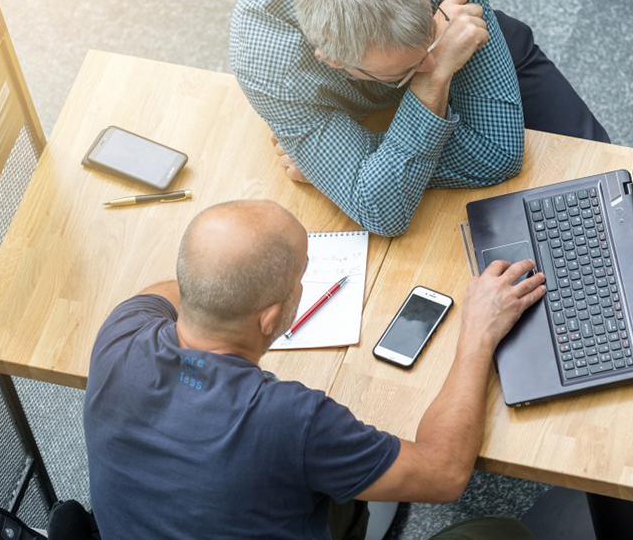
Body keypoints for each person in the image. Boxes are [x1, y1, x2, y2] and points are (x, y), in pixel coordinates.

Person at [83, 200, 541, 539]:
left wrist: (229, 276)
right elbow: (444, 473)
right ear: (271, 317)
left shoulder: (121, 334)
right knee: (501, 534)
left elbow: (173, 289)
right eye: (303, 276)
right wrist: (478, 333)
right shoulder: (291, 419)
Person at [229, 0, 610, 239]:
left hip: (465, 43)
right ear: (334, 62)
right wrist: (432, 77)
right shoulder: (265, 63)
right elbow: (382, 213)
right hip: (346, 96)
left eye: (429, 41)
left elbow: (498, 152)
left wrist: (347, 170)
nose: (429, 64)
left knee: (604, 172)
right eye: (407, 71)